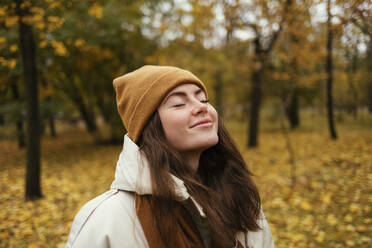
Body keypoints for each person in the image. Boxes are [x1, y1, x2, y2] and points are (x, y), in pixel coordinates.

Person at [65, 65, 274, 248]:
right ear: (149, 127)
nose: (201, 107)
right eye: (179, 104)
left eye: (203, 99)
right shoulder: (106, 219)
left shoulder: (239, 197)